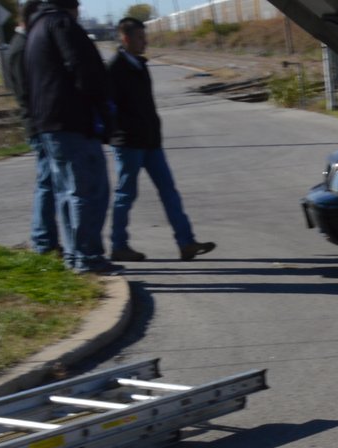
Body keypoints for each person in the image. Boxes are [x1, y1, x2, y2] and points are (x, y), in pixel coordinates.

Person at [19, 0, 120, 275]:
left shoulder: (36, 29)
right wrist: (103, 109)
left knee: (66, 193)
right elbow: (84, 70)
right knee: (88, 191)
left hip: (48, 124)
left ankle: (75, 256)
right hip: (73, 121)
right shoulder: (62, 25)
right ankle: (88, 257)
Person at [106, 17, 214, 262]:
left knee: (169, 191)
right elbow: (108, 106)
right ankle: (118, 245)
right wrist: (119, 132)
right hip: (128, 143)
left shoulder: (140, 64)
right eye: (140, 38)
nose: (145, 42)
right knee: (126, 195)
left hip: (151, 141)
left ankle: (186, 242)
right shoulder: (115, 68)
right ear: (126, 39)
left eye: (145, 37)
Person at [2, 23, 59, 257]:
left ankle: (45, 238)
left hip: (38, 122)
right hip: (37, 123)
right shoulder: (20, 48)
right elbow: (26, 92)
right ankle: (43, 240)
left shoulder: (21, 45)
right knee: (47, 182)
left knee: (48, 182)